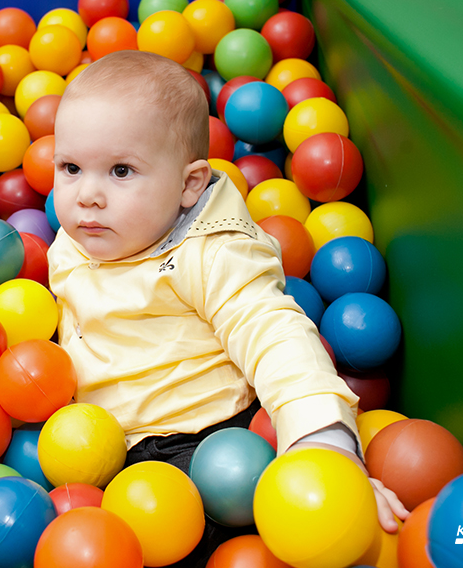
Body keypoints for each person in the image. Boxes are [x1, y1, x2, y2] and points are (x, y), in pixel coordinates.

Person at [46, 50, 408, 566]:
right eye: (71, 167)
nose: (88, 196)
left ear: (190, 185)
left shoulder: (211, 254)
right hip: (93, 452)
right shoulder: (79, 236)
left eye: (121, 171)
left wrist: (323, 443)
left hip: (205, 449)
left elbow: (274, 333)